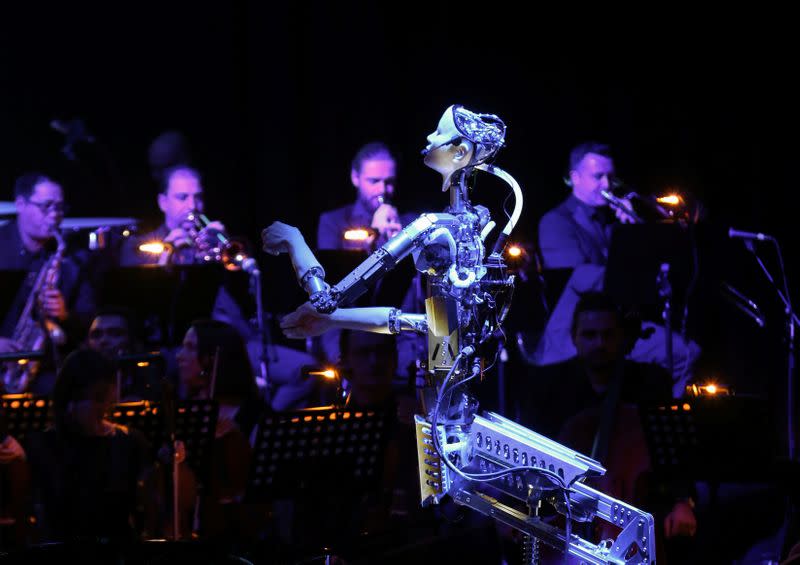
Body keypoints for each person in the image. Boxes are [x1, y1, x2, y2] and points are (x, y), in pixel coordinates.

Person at [520, 292, 696, 562]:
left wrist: (683, 501)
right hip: (566, 512)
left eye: (608, 335)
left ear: (622, 337)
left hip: (635, 510)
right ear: (574, 337)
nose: (599, 343)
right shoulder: (549, 385)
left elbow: (677, 454)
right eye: (590, 335)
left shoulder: (649, 381)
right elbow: (529, 453)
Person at [534, 142, 700, 395]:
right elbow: (579, 279)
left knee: (685, 352)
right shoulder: (556, 221)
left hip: (618, 326)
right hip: (577, 330)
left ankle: (654, 422)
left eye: (610, 177)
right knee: (680, 354)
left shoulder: (613, 220)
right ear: (574, 177)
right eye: (598, 176)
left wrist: (634, 231)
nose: (607, 184)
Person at [23, 349, 159, 542]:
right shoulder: (45, 446)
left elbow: (145, 508)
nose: (105, 408)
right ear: (71, 402)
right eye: (97, 399)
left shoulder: (129, 442)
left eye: (107, 399)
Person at [0, 172, 96, 393]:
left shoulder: (72, 257)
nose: (54, 215)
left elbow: (89, 320)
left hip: (44, 371)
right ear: (20, 204)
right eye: (46, 206)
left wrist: (65, 316)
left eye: (60, 207)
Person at [317, 142, 409, 251]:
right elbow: (333, 267)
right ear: (355, 177)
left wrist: (403, 242)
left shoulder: (410, 221)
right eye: (374, 181)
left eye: (389, 182)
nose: (382, 189)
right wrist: (376, 235)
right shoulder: (332, 222)